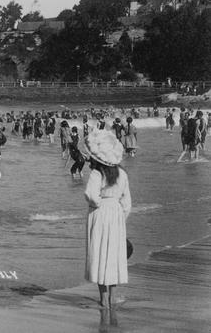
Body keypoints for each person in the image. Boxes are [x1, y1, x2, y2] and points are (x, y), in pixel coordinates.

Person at [83, 130, 131, 308]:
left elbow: (91, 195)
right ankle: (112, 297)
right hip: (117, 214)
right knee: (113, 256)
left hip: (101, 213)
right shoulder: (122, 174)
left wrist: (97, 207)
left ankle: (103, 298)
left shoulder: (97, 174)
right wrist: (120, 219)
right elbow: (127, 204)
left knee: (99, 253)